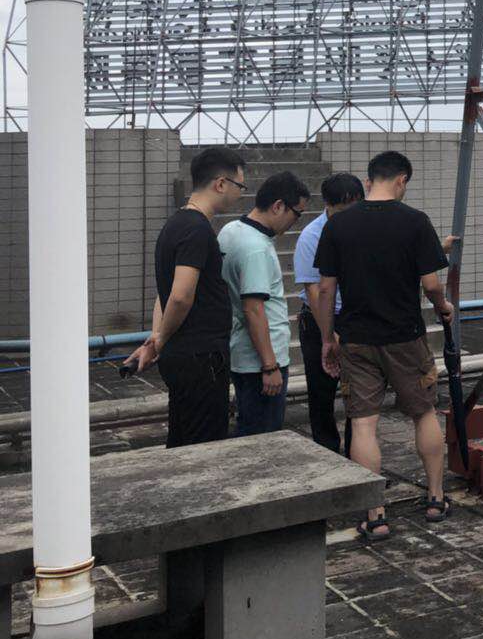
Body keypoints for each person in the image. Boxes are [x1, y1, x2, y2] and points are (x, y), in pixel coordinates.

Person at [314, 150, 455, 542]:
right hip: (405, 337)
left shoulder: (338, 225)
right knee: (423, 413)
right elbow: (431, 285)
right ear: (401, 180)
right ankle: (435, 498)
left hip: (356, 339)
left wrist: (327, 338)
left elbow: (325, 290)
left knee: (363, 424)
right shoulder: (415, 221)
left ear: (369, 179)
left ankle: (375, 515)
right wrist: (443, 307)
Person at [125, 146, 247, 448]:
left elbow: (164, 293)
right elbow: (180, 296)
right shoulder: (197, 229)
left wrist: (156, 338)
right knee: (203, 445)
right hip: (201, 359)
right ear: (221, 184)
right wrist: (160, 340)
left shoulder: (175, 224)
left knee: (182, 438)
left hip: (185, 356)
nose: (240, 194)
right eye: (240, 186)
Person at [219, 171, 310, 437]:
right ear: (278, 206)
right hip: (260, 362)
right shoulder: (255, 248)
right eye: (297, 213)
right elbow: (253, 309)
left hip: (242, 353)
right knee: (263, 435)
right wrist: (270, 366)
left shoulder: (231, 230)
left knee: (249, 426)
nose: (295, 221)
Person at [292, 172, 364, 453]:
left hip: (355, 318)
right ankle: (328, 451)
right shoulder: (312, 236)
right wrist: (328, 334)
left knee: (360, 393)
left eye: (353, 209)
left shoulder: (364, 228)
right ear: (328, 205)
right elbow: (314, 291)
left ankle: (357, 453)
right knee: (321, 394)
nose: (348, 217)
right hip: (320, 319)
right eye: (341, 211)